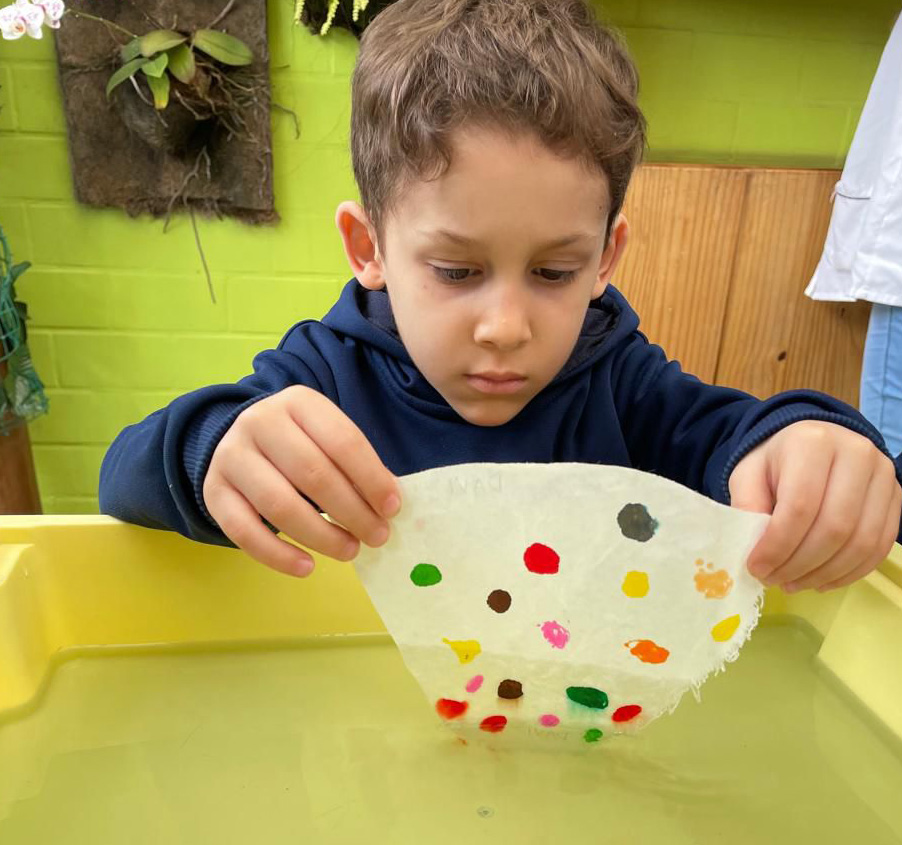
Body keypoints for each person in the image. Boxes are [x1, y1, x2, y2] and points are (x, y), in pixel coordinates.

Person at [99, 0, 901, 594]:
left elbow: (731, 436)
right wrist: (210, 447)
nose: (506, 328)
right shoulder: (326, 375)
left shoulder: (618, 379)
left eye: (554, 273)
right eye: (456, 271)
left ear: (604, 258)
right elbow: (122, 479)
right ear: (369, 248)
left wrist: (812, 440)